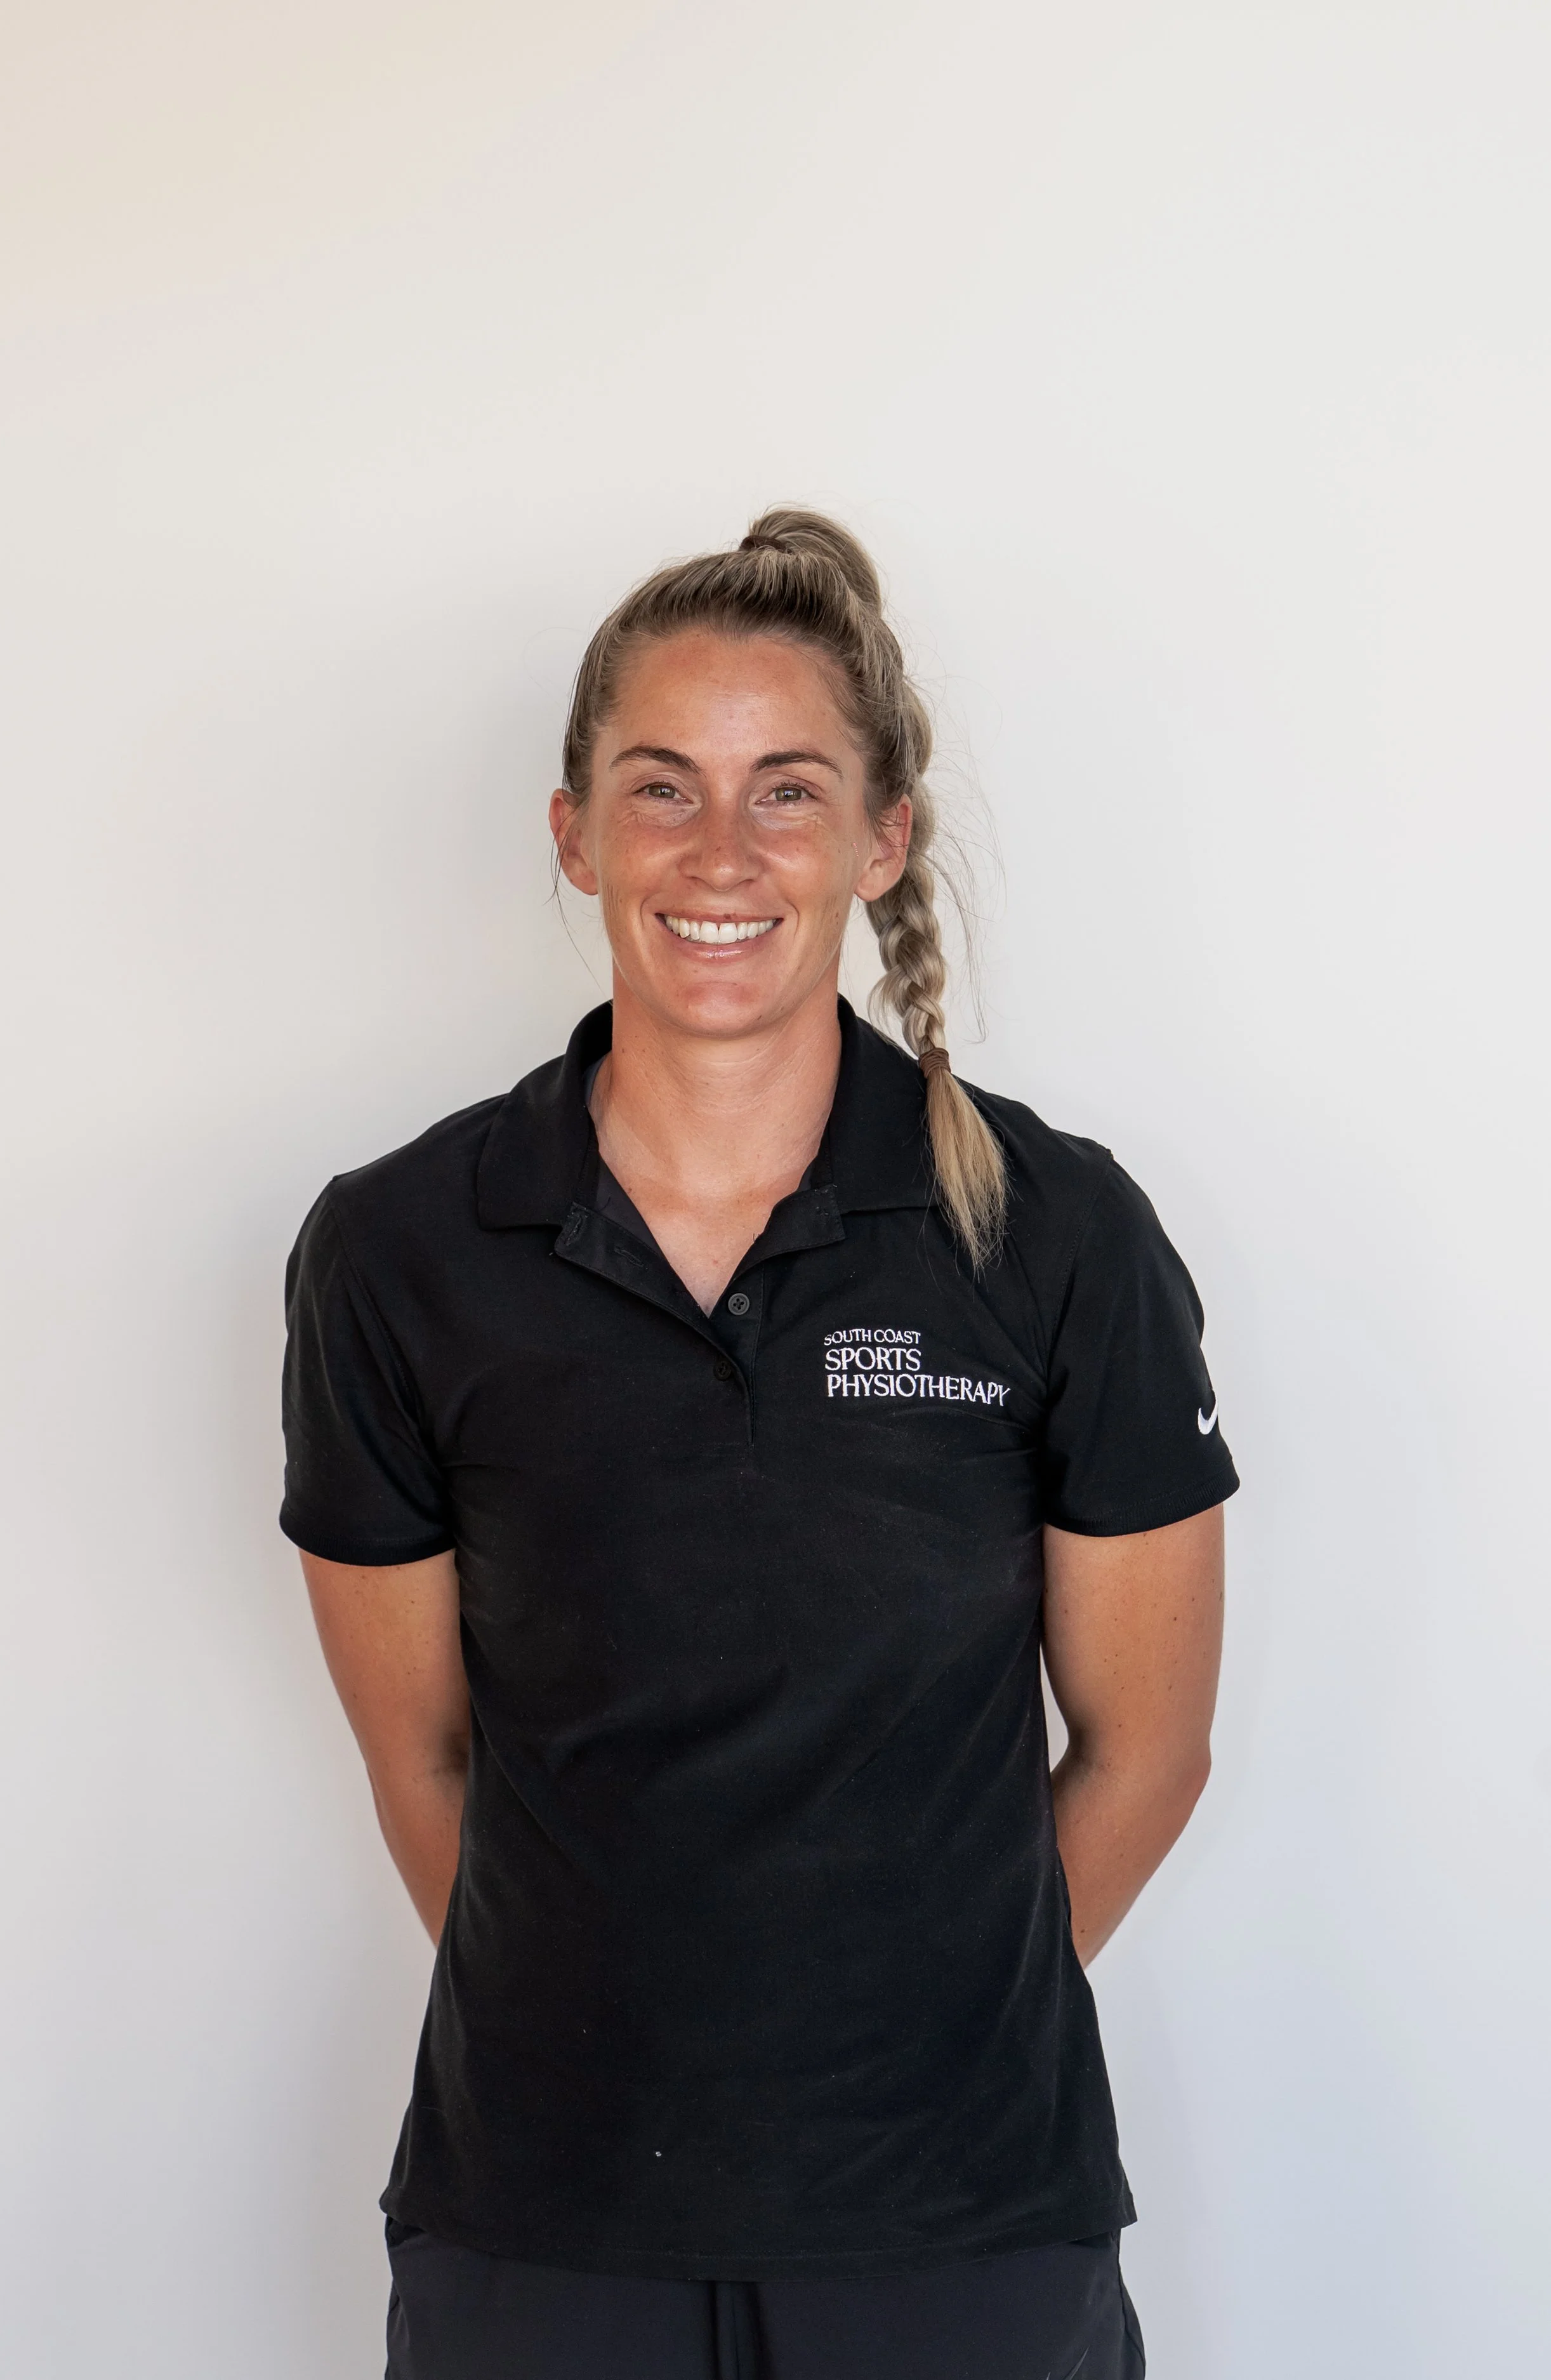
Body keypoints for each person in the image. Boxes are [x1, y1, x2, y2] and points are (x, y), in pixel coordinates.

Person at [280, 509, 1238, 2379]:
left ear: (881, 841)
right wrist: (627, 2052)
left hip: (966, 2234)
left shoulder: (1055, 1234)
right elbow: (423, 1757)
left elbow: (1147, 1750)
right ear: (574, 832)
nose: (719, 853)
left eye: (787, 790)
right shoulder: (399, 1250)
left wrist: (920, 2037)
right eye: (661, 786)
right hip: (541, 2230)